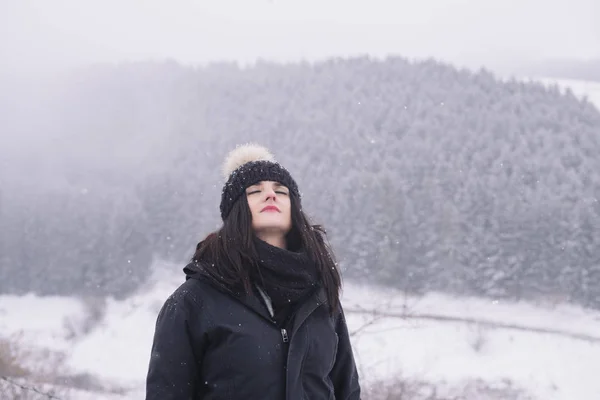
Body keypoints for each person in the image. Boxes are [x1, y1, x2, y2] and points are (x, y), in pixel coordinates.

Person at [145, 143, 361, 400]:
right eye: (255, 191)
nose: (270, 195)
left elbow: (346, 391)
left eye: (281, 191)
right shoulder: (194, 300)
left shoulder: (320, 297)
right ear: (236, 210)